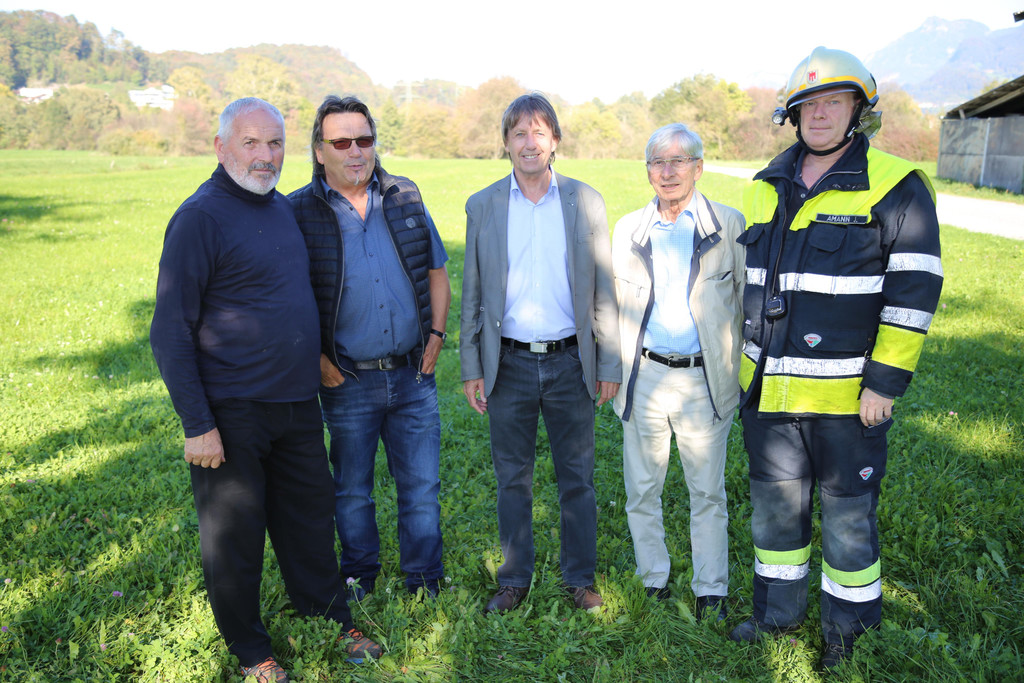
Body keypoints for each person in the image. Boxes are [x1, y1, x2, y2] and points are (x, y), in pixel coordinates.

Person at [150, 97, 381, 682]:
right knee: (235, 535)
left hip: (296, 403)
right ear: (221, 146)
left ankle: (329, 616)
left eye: (274, 143)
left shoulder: (280, 208)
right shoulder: (200, 218)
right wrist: (197, 424)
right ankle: (252, 650)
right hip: (232, 410)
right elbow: (170, 330)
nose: (265, 155)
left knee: (310, 520)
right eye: (250, 142)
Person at [727, 47, 943, 671]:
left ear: (858, 111)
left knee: (848, 520)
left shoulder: (896, 184)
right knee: (775, 516)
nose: (819, 114)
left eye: (833, 102)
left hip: (849, 399)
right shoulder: (766, 185)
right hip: (770, 393)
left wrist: (884, 383)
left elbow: (914, 291)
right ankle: (778, 616)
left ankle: (849, 630)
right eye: (808, 105)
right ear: (793, 116)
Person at [460, 92, 621, 614]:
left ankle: (579, 578)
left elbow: (603, 290)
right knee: (513, 479)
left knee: (577, 478)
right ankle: (514, 579)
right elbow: (472, 292)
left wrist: (609, 362)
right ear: (506, 143)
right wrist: (471, 366)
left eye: (539, 132)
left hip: (570, 361)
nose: (529, 143)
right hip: (506, 363)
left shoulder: (584, 201)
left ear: (555, 141)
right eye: (519, 133)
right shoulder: (483, 205)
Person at [289, 95, 450, 600]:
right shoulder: (298, 211)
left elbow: (437, 270)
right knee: (351, 490)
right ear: (319, 151)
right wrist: (317, 360)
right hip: (347, 379)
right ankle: (359, 576)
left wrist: (437, 336)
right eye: (341, 142)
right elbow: (286, 298)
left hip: (412, 373)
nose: (355, 151)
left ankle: (424, 578)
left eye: (364, 139)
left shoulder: (405, 196)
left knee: (421, 487)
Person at [611, 123, 744, 620]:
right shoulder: (628, 230)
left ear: (698, 167)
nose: (667, 172)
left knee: (707, 491)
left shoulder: (728, 226)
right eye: (658, 162)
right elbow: (611, 306)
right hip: (644, 377)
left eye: (678, 161)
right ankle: (653, 579)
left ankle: (711, 588)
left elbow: (745, 303)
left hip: (703, 381)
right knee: (641, 489)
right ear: (648, 170)